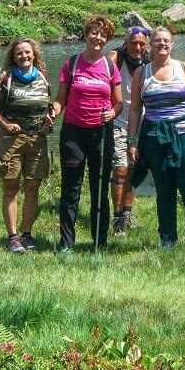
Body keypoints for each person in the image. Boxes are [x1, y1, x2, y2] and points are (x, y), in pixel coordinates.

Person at [126, 26, 185, 251]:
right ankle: (168, 239)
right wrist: (132, 141)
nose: (162, 44)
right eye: (157, 41)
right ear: (150, 45)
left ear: (172, 44)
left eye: (166, 40)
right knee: (164, 190)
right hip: (155, 140)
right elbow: (135, 109)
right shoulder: (141, 73)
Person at [52, 15, 122, 253]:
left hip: (101, 134)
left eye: (103, 35)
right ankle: (66, 244)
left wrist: (112, 113)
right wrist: (52, 112)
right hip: (73, 134)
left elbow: (119, 103)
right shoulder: (71, 64)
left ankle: (99, 243)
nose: (98, 38)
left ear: (107, 40)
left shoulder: (110, 67)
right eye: (94, 33)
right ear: (86, 34)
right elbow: (60, 101)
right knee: (71, 190)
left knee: (99, 189)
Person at [0, 37, 53, 253]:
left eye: (27, 52)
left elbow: (48, 107)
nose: (24, 56)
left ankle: (27, 234)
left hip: (37, 141)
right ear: (13, 58)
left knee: (33, 188)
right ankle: (13, 237)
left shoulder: (43, 77)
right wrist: (6, 123)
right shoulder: (6, 78)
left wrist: (48, 121)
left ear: (34, 54)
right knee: (11, 188)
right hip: (10, 141)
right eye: (19, 53)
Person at [109, 26, 150, 237]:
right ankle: (117, 220)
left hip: (142, 125)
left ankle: (127, 214)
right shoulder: (116, 58)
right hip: (118, 122)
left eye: (142, 43)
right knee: (120, 169)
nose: (138, 47)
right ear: (126, 43)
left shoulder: (150, 61)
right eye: (134, 43)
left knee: (132, 170)